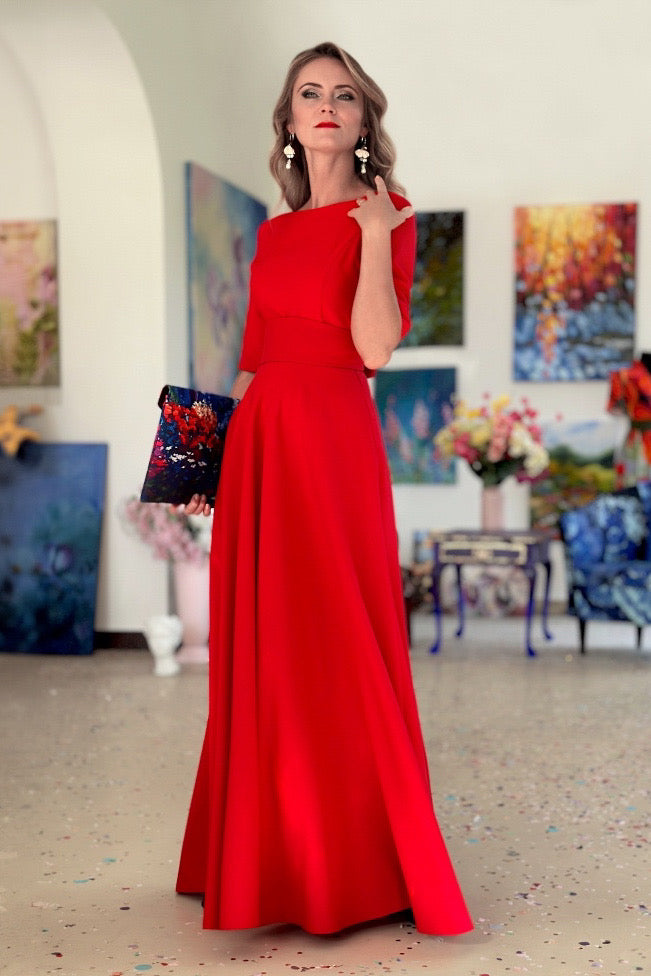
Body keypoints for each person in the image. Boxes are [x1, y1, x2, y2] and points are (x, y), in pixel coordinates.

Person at [176, 41, 472, 937]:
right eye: (310, 93)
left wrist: (375, 235)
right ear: (290, 121)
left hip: (334, 436)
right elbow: (250, 360)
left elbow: (374, 348)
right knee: (267, 641)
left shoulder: (389, 216)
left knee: (341, 630)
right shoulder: (272, 235)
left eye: (343, 94)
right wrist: (203, 461)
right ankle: (267, 858)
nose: (326, 105)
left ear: (363, 117)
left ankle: (356, 865)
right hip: (263, 437)